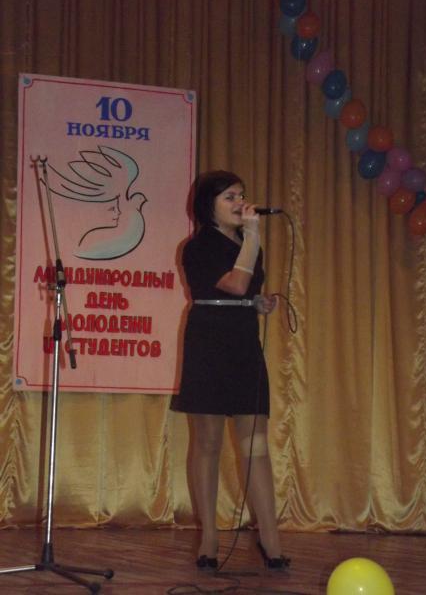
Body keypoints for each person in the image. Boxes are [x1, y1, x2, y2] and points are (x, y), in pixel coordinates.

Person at [171, 170, 289, 570]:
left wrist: (259, 303)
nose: (241, 203)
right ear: (210, 205)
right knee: (207, 443)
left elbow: (244, 293)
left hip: (242, 343)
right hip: (208, 344)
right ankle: (209, 537)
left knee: (256, 444)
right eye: (230, 197)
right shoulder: (198, 246)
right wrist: (252, 237)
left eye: (242, 194)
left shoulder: (248, 243)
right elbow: (234, 284)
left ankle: (270, 539)